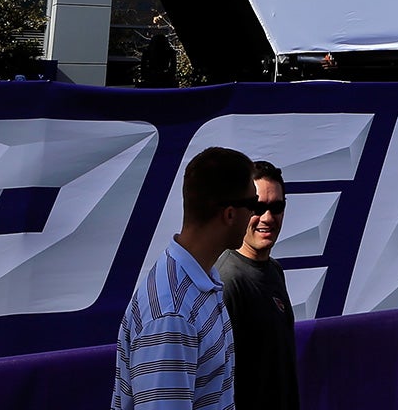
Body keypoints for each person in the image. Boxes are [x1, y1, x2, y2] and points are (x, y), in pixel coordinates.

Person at [114, 146, 259, 409]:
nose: (255, 216)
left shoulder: (202, 280)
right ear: (229, 214)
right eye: (252, 204)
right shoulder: (173, 315)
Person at [218, 161, 299, 410]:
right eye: (258, 207)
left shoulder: (274, 270)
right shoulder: (227, 280)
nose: (268, 218)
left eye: (276, 207)